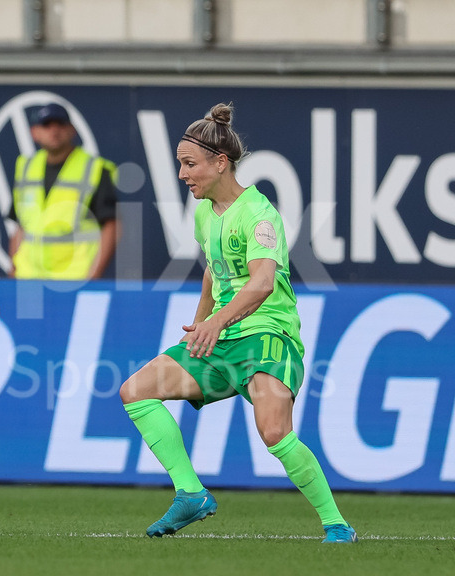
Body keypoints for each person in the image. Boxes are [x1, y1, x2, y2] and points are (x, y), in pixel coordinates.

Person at [119, 103, 357, 544]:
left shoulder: (259, 215)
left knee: (273, 432)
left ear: (220, 162)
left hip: (267, 334)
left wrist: (217, 321)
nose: (182, 174)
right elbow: (214, 269)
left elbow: (262, 283)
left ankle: (336, 525)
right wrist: (200, 322)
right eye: (180, 165)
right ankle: (190, 493)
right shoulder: (205, 213)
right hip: (223, 334)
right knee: (135, 392)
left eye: (189, 164)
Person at [7, 102, 120, 280]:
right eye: (47, 125)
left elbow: (111, 226)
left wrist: (94, 275)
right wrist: (14, 267)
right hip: (28, 280)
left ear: (72, 130)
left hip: (73, 278)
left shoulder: (94, 169)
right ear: (34, 133)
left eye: (60, 124)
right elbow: (22, 226)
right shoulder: (26, 167)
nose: (54, 131)